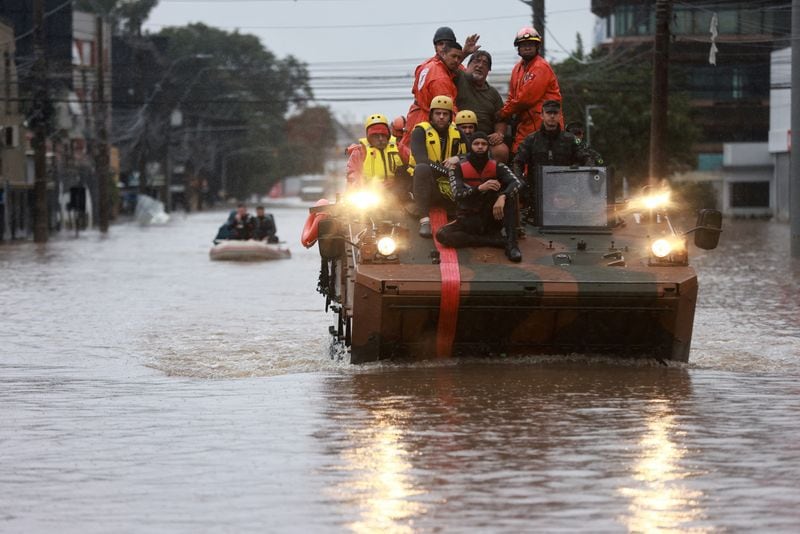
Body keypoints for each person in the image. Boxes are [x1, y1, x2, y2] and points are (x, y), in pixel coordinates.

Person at [436, 131, 523, 262]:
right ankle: (493, 242)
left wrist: (503, 196)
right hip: (468, 218)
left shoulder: (497, 166)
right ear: (471, 146)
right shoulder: (457, 168)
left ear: (488, 147)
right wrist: (480, 188)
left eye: (483, 144)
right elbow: (457, 194)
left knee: (510, 197)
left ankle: (511, 245)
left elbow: (517, 182)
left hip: (491, 218)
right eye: (476, 144)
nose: (480, 146)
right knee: (442, 235)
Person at [512, 100, 596, 212]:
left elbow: (586, 157)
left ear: (560, 115)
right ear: (542, 115)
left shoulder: (570, 139)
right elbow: (518, 162)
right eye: (548, 113)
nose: (552, 116)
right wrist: (519, 179)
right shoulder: (531, 140)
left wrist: (585, 174)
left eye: (555, 113)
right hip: (537, 193)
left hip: (566, 193)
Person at [408, 95, 468, 238]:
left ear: (450, 117)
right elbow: (421, 159)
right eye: (437, 113)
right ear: (431, 115)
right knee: (421, 168)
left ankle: (462, 217)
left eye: (445, 114)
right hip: (426, 184)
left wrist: (458, 158)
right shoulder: (420, 132)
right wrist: (448, 172)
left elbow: (473, 154)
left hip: (449, 186)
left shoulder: (458, 133)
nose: (441, 117)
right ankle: (424, 221)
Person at [498, 27, 562, 153]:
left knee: (539, 158)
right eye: (523, 45)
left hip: (544, 122)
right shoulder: (517, 68)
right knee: (519, 153)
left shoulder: (540, 67)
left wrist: (502, 114)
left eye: (530, 44)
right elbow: (512, 96)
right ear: (518, 48)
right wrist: (505, 112)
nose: (527, 47)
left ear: (537, 47)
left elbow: (525, 99)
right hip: (525, 122)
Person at [401, 41, 464, 150]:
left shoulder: (427, 65)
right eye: (453, 56)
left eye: (459, 58)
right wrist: (461, 132)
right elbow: (448, 110)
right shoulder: (441, 79)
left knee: (409, 153)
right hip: (427, 122)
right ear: (443, 54)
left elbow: (414, 90)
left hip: (415, 115)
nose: (457, 61)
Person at [455, 50, 509, 163]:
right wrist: (465, 52)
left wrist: (499, 134)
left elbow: (501, 118)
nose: (480, 65)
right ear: (468, 65)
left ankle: (493, 179)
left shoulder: (493, 93)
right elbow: (449, 65)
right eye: (476, 61)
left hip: (484, 140)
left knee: (501, 150)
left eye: (485, 63)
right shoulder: (459, 78)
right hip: (459, 137)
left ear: (489, 70)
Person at [345, 113, 408, 201]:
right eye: (375, 135)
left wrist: (400, 181)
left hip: (398, 195)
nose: (380, 139)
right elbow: (352, 175)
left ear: (388, 135)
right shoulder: (359, 152)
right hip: (369, 197)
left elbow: (413, 165)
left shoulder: (399, 148)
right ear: (368, 137)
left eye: (383, 135)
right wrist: (361, 186)